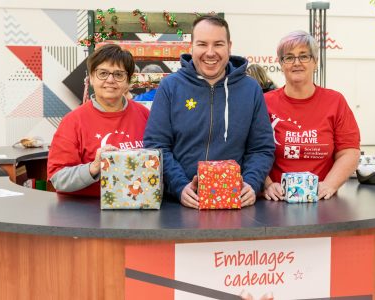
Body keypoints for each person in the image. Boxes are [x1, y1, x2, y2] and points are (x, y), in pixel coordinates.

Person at [144, 15, 275, 209]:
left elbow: (261, 148)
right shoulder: (170, 87)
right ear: (192, 46)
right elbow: (156, 145)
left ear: (229, 46)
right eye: (202, 44)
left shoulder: (250, 89)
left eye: (218, 44)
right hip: (181, 205)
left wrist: (251, 183)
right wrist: (180, 186)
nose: (210, 52)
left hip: (235, 203)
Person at [264, 30, 360, 201]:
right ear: (281, 63)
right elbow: (252, 150)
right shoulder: (264, 103)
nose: (296, 63)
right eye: (289, 57)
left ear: (315, 62)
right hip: (276, 201)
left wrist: (329, 184)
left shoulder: (335, 101)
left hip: (322, 200)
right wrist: (267, 184)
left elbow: (349, 152)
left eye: (304, 56)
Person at [48, 44, 149, 196]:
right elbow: (58, 178)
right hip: (85, 214)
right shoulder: (73, 121)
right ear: (91, 78)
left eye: (119, 74)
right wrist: (93, 168)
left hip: (136, 209)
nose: (110, 80)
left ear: (128, 82)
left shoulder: (145, 115)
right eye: (103, 73)